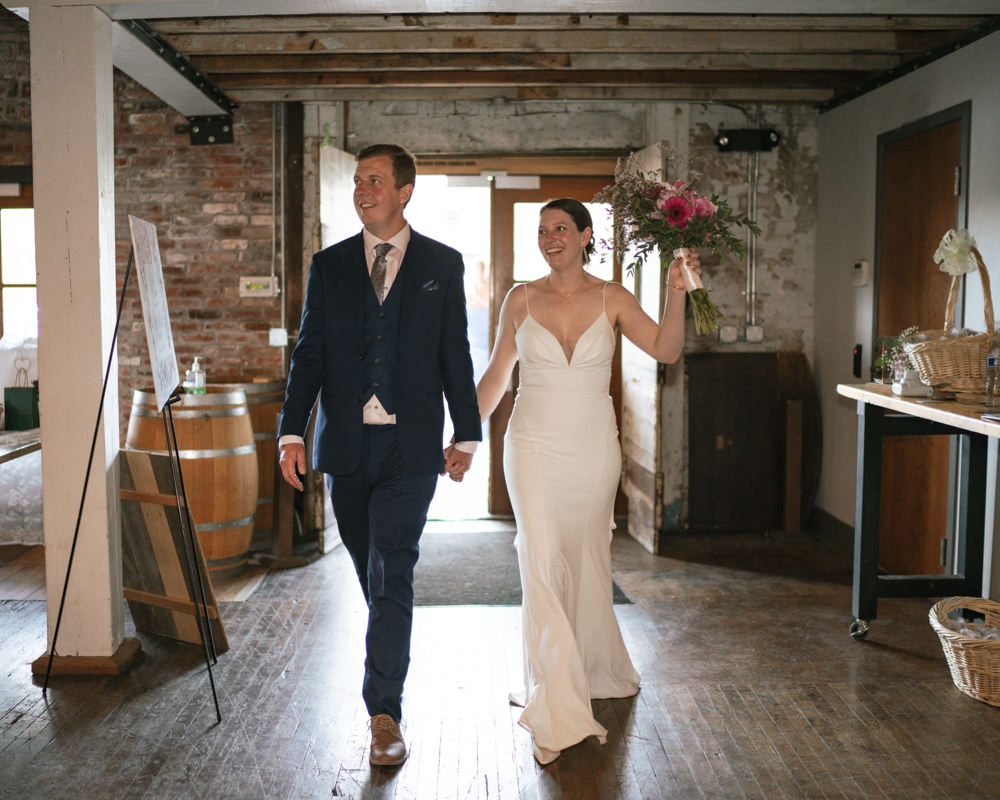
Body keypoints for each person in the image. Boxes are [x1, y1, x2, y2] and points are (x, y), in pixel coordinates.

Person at [459, 198, 699, 764]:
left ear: (587, 235)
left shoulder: (611, 296)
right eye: (542, 231)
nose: (549, 238)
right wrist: (465, 440)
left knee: (586, 556)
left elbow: (666, 349)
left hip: (593, 449)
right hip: (532, 445)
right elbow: (496, 375)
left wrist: (676, 291)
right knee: (540, 558)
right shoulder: (519, 299)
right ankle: (558, 701)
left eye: (561, 228)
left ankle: (590, 666)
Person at [277, 143, 482, 767]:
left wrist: (466, 436)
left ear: (404, 191)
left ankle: (383, 713)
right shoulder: (330, 265)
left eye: (374, 180)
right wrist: (290, 431)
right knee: (375, 577)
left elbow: (455, 353)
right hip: (344, 447)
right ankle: (390, 649)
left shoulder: (441, 265)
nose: (362, 190)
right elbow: (308, 353)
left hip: (411, 448)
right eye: (358, 181)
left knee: (393, 567)